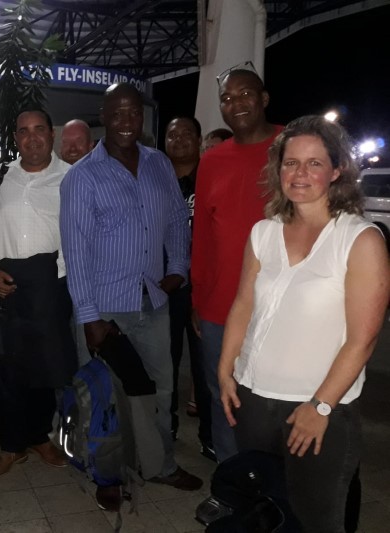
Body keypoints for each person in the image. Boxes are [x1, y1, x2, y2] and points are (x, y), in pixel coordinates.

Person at [219, 115, 389, 531]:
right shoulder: (264, 231)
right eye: (290, 162)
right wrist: (225, 369)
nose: (299, 173)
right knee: (263, 514)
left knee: (316, 520)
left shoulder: (359, 239)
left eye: (314, 163)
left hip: (316, 406)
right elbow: (243, 304)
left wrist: (320, 406)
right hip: (253, 399)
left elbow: (362, 340)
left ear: (336, 170)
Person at [60, 83, 202, 490]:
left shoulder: (158, 164)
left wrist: (178, 267)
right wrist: (89, 318)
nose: (126, 121)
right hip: (103, 308)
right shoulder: (82, 177)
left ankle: (160, 465)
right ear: (103, 116)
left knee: (159, 390)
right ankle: (105, 472)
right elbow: (76, 252)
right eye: (118, 113)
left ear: (143, 117)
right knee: (103, 395)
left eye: (134, 112)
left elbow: (176, 220)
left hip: (152, 302)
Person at [191, 66, 283, 462]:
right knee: (223, 397)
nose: (236, 103)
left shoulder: (292, 147)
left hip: (281, 307)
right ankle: (232, 484)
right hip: (220, 308)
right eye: (227, 98)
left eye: (245, 94)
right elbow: (203, 237)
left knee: (276, 400)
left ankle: (274, 486)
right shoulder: (212, 161)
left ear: (264, 98)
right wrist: (198, 298)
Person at [0, 108, 76, 479]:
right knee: (6, 368)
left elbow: (77, 232)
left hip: (50, 283)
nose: (31, 138)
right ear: (15, 138)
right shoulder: (0, 175)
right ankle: (10, 446)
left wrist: (59, 277)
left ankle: (39, 436)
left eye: (39, 130)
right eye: (23, 131)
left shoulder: (69, 177)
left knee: (44, 365)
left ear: (51, 135)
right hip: (2, 283)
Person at [163, 116, 214, 461]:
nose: (179, 140)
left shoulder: (211, 177)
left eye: (186, 134)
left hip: (204, 287)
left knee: (205, 367)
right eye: (172, 135)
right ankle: (165, 429)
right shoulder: (157, 179)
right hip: (166, 287)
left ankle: (210, 437)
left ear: (198, 140)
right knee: (163, 364)